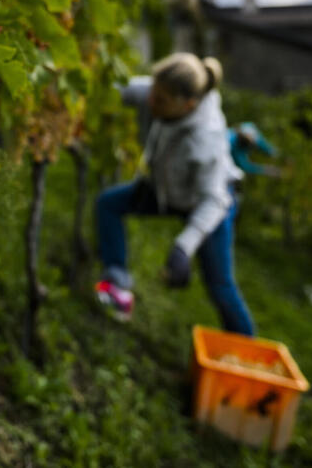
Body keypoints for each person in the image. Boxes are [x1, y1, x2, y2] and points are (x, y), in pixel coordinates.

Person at [94, 53, 256, 336]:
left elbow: (214, 200)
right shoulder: (161, 93)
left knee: (219, 284)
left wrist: (183, 248)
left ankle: (248, 355)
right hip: (165, 191)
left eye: (161, 101)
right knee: (108, 205)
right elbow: (120, 89)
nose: (151, 103)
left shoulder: (206, 139)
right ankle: (117, 283)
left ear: (188, 104)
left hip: (208, 204)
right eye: (153, 93)